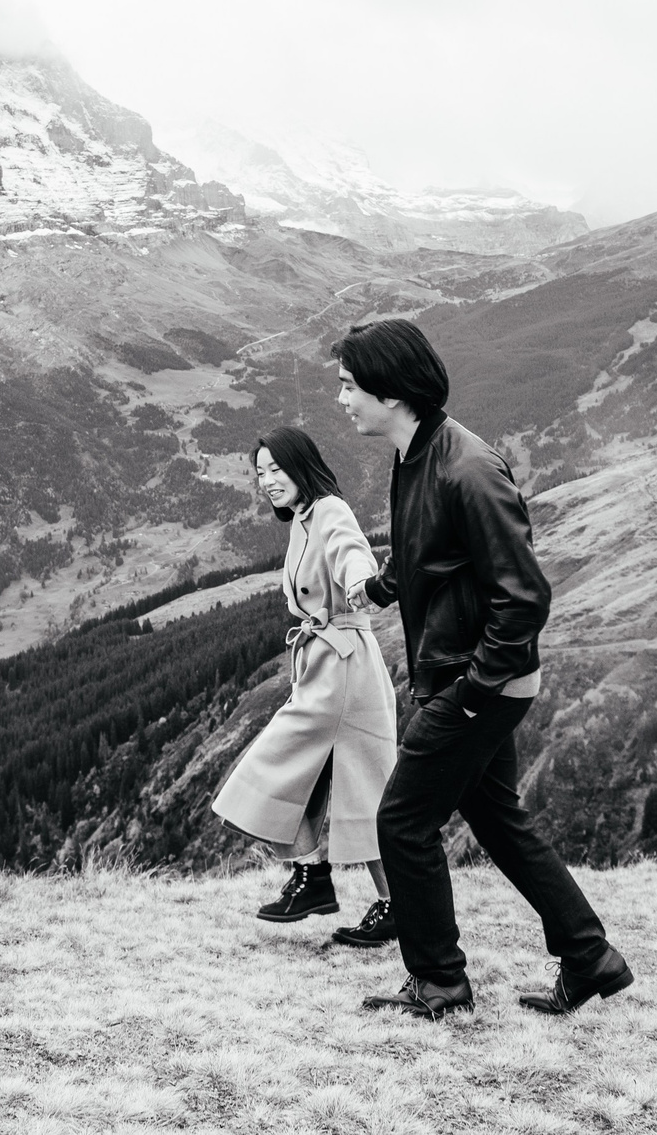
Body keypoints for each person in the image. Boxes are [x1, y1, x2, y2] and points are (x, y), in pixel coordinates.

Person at [335, 317, 633, 1020]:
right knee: (498, 818)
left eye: (350, 386)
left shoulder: (467, 466)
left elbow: (525, 595)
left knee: (402, 820)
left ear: (391, 391)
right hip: (470, 677)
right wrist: (382, 585)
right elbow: (430, 552)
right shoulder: (417, 453)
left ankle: (440, 980)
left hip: (481, 683)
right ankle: (589, 955)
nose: (342, 399)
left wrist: (475, 688)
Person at [209, 425, 401, 945]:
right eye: (260, 472)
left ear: (301, 465)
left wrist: (363, 585)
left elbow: (352, 553)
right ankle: (345, 887)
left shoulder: (330, 511)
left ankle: (321, 879)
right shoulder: (300, 519)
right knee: (353, 786)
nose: (267, 480)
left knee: (280, 767)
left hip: (342, 670)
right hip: (323, 666)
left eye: (276, 469)